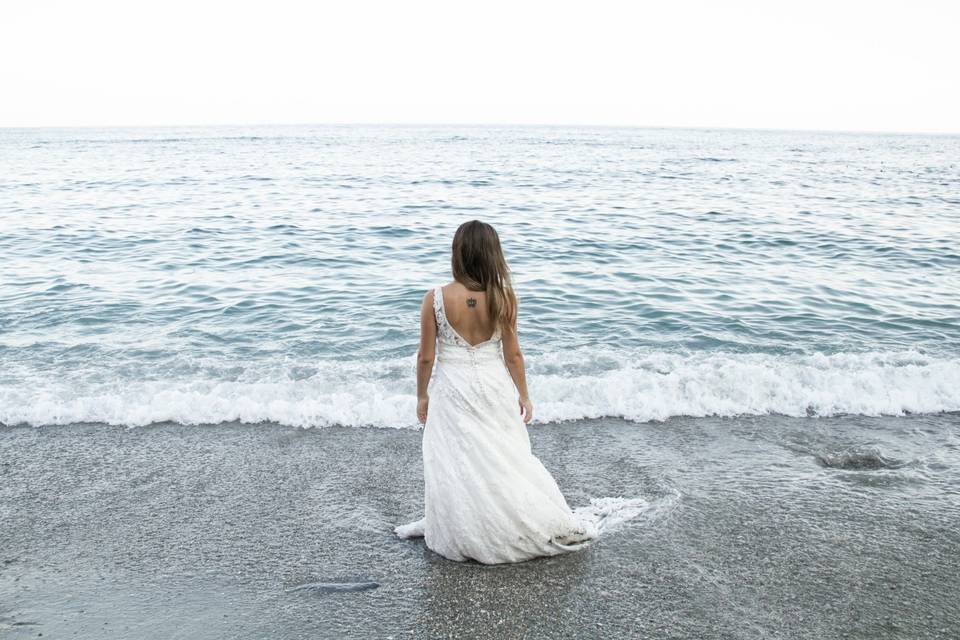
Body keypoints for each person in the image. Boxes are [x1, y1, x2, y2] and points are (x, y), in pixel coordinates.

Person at [394, 220, 597, 564]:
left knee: (456, 459)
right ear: (493, 255)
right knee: (503, 455)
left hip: (453, 388)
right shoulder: (503, 296)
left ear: (457, 254)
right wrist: (524, 395)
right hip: (493, 385)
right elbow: (513, 354)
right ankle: (510, 521)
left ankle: (463, 526)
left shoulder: (435, 298)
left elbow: (425, 356)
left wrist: (421, 396)